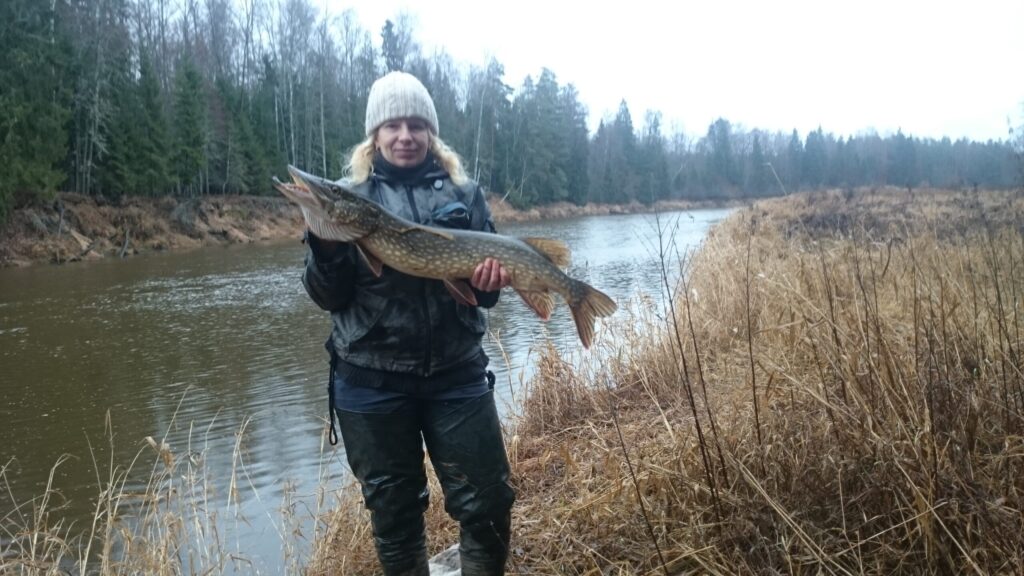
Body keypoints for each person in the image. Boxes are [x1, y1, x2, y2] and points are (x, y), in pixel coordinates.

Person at [301, 71, 515, 576]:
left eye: (416, 124)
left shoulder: (464, 192)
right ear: (374, 134)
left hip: (457, 375)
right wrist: (326, 246)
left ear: (430, 133)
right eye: (392, 125)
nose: (404, 135)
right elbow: (328, 297)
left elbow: (485, 296)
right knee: (395, 518)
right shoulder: (347, 200)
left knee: (488, 505)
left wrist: (489, 281)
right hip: (370, 381)